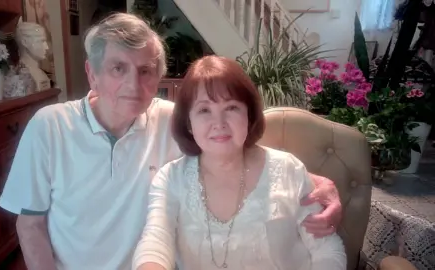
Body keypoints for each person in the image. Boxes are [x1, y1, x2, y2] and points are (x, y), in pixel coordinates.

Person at [0, 13, 342, 270]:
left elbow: (238, 145)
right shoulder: (50, 126)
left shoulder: (172, 119)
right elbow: (30, 225)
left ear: (158, 76)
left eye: (146, 70)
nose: (134, 84)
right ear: (93, 73)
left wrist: (320, 185)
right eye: (118, 68)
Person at [132, 55, 346, 270]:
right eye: (204, 110)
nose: (219, 123)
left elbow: (327, 250)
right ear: (189, 123)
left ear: (249, 115)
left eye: (232, 108)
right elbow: (156, 240)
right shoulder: (171, 178)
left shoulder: (288, 169)